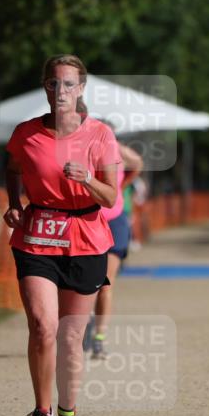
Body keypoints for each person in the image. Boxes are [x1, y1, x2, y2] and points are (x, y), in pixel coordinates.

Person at [4, 54, 119, 416]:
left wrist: (87, 179)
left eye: (69, 84)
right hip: (37, 235)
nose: (61, 91)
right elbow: (13, 166)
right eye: (54, 84)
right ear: (45, 88)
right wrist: (14, 202)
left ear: (81, 89)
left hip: (85, 238)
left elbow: (111, 197)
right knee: (41, 324)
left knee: (71, 336)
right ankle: (42, 411)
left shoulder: (100, 135)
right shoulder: (25, 133)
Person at [90, 141, 144, 359]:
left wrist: (114, 145)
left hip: (114, 222)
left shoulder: (117, 154)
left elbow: (138, 163)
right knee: (84, 284)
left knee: (105, 283)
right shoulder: (83, 151)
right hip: (88, 221)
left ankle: (99, 337)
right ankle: (76, 328)